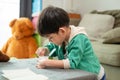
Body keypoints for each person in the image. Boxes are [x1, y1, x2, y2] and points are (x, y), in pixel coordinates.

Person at [36, 6, 106, 80]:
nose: (50, 41)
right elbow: (52, 47)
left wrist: (47, 62)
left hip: (93, 75)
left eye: (50, 38)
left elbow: (71, 63)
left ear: (62, 31)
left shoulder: (79, 39)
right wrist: (45, 49)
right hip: (77, 74)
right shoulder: (61, 38)